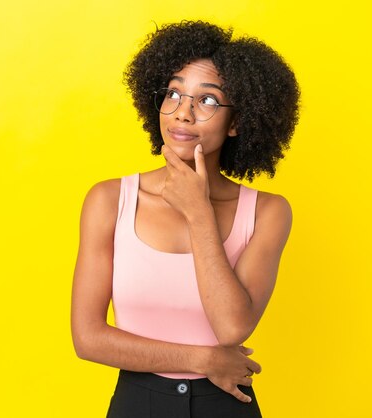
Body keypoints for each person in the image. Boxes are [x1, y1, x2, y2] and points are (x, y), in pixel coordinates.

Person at [71, 21, 300, 418]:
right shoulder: (109, 201)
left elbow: (232, 328)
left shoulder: (268, 212)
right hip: (136, 403)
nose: (183, 114)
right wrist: (204, 360)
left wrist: (198, 212)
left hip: (227, 406)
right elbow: (88, 339)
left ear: (237, 123)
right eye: (174, 94)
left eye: (207, 101)